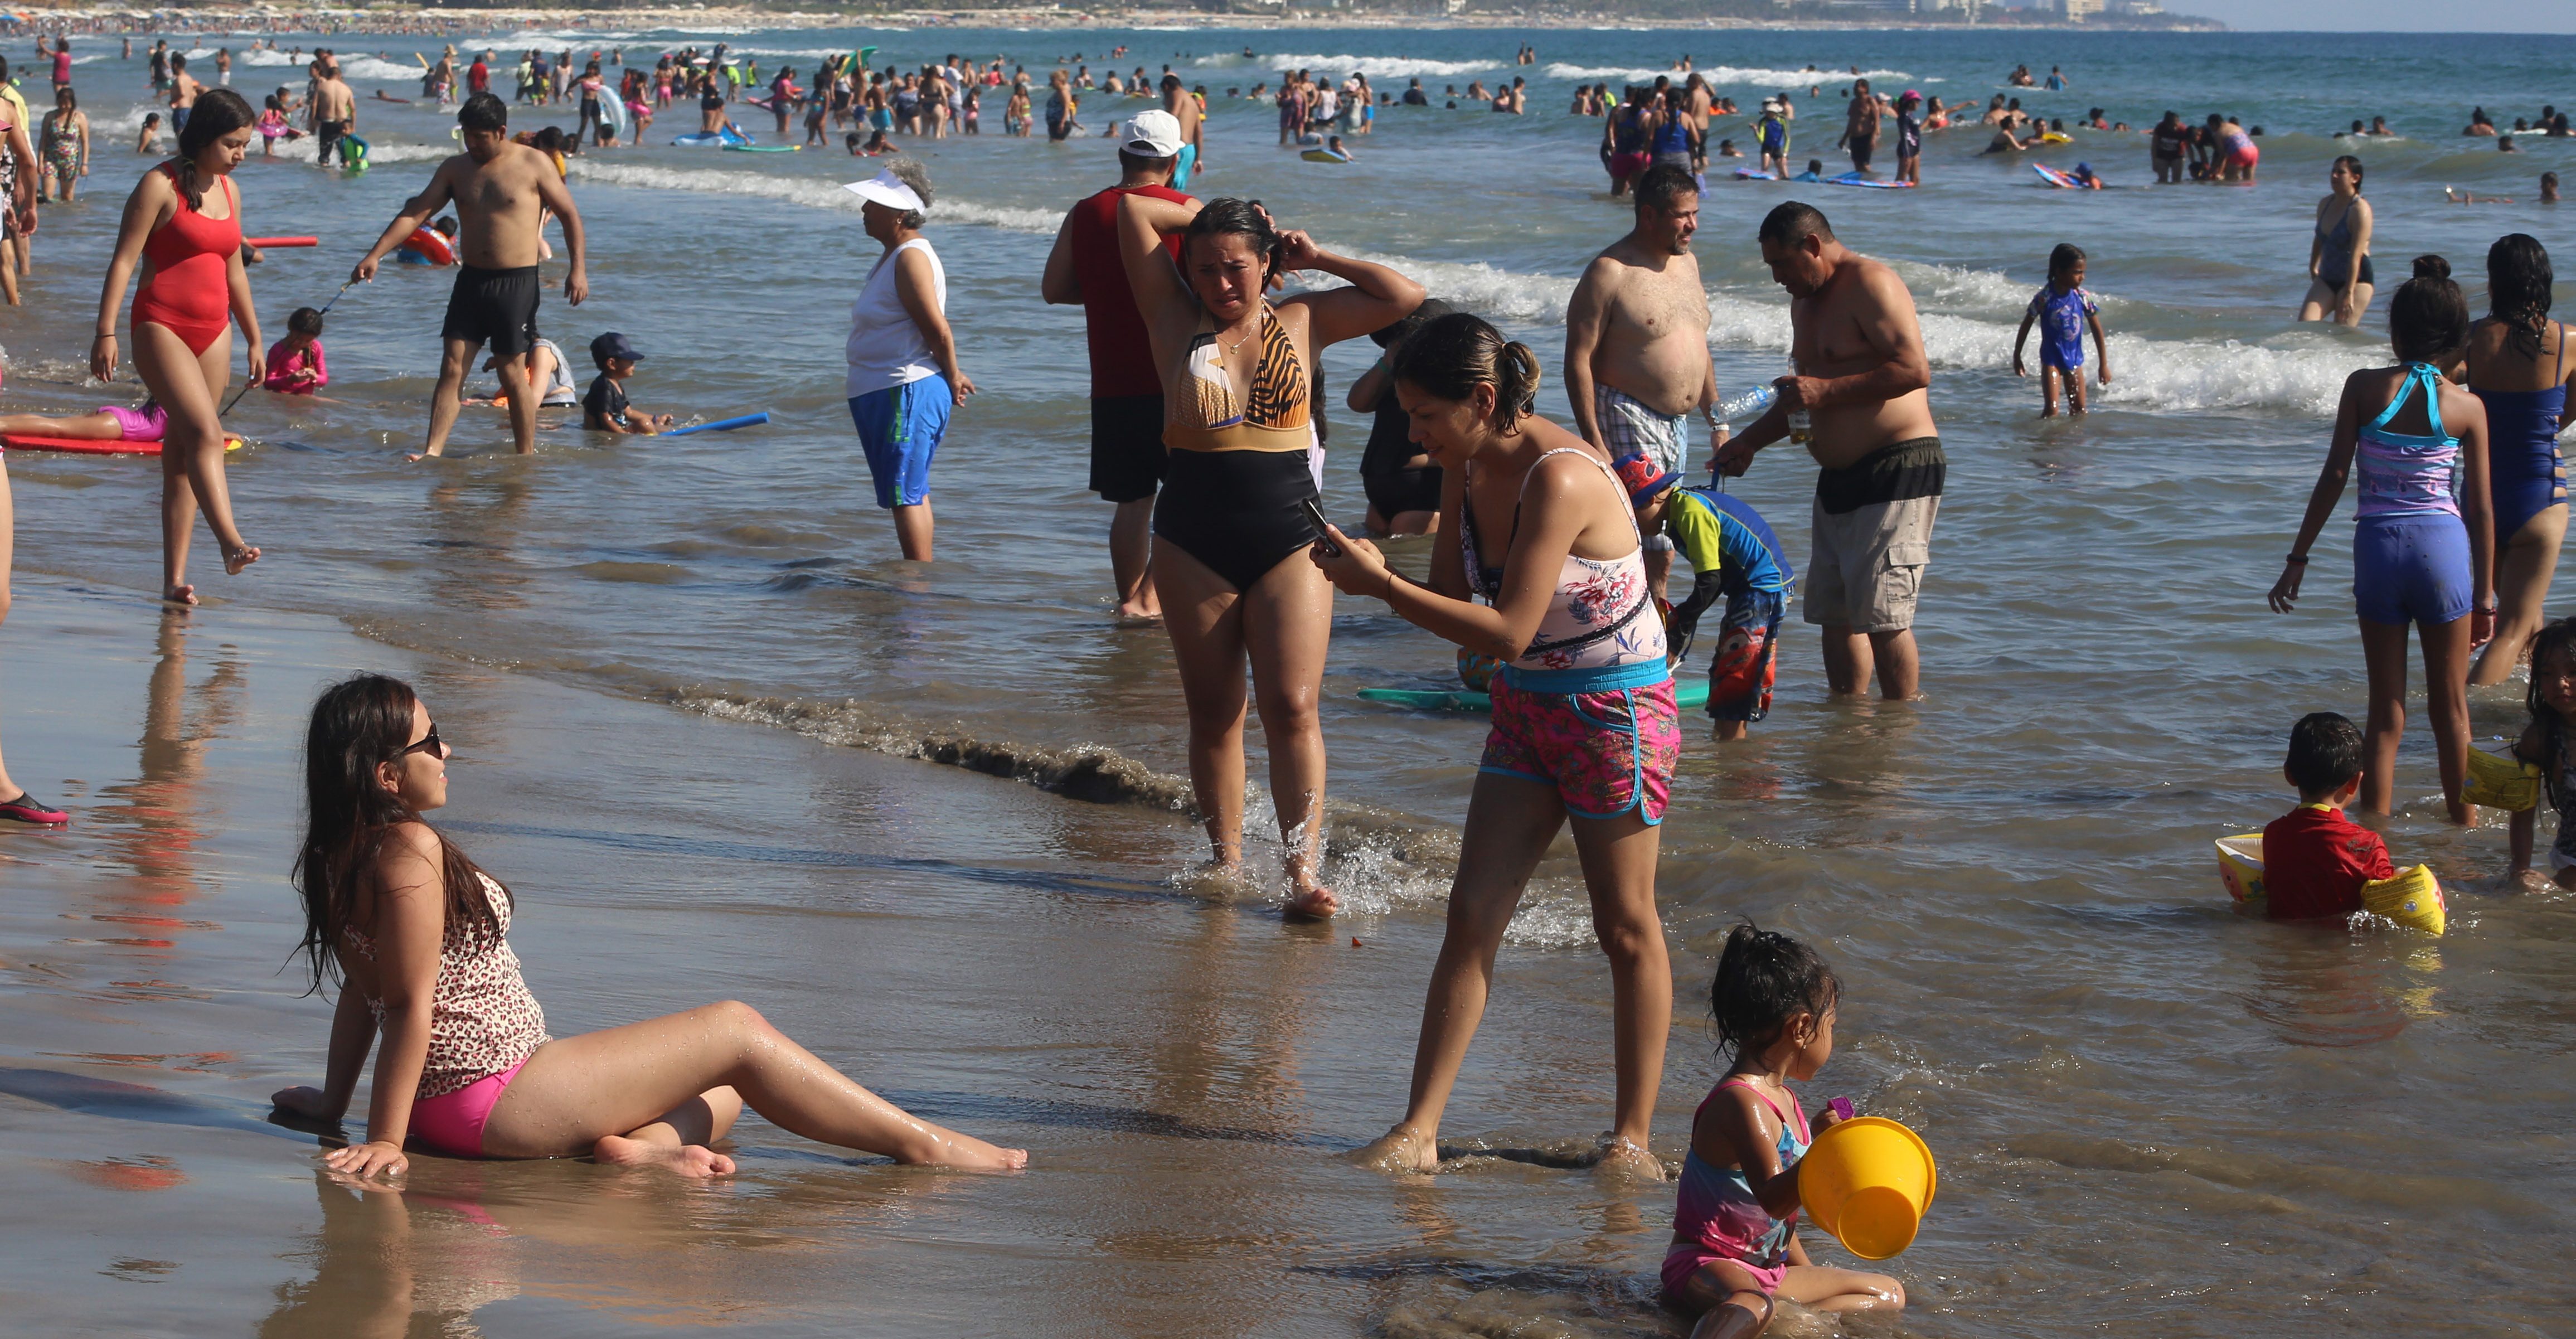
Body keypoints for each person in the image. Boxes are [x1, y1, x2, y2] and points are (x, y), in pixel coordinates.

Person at [268, 674, 1027, 1180]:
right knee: (737, 1027)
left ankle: (643, 1151)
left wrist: (339, 1107)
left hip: (466, 1101)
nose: (447, 749)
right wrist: (387, 1142)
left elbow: (362, 992)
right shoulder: (410, 849)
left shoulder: (340, 854)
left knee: (736, 1086)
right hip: (491, 1097)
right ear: (385, 775)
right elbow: (402, 1004)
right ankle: (924, 1144)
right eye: (430, 741)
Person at [1312, 313, 1672, 1179]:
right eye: (1407, 416)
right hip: (1527, 706)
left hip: (1613, 710)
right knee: (1470, 915)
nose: (1412, 435)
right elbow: (1447, 595)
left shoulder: (1562, 478)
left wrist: (1377, 585)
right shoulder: (1466, 463)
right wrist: (1380, 560)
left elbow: (1506, 630)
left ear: (1482, 400)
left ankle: (1632, 1139)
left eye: (1425, 416)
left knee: (1624, 927)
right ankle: (1417, 1131)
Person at [1115, 192, 1422, 918]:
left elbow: (1402, 297)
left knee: (1292, 705)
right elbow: (1133, 211)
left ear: (1267, 265)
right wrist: (1211, 212)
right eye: (1206, 269)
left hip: (1291, 534)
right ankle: (1225, 862)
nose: (1222, 284)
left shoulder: (1304, 318)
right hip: (1192, 537)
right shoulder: (1170, 318)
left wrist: (1316, 257)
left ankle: (1300, 874)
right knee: (1217, 710)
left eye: (1238, 267)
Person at [2268, 261, 2491, 824]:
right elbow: (2480, 506)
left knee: (2385, 710)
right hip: (2441, 547)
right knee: (2451, 710)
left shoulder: (2363, 387)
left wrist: (2297, 558)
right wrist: (2486, 591)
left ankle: (2373, 838)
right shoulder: (2467, 406)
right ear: (2459, 337)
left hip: (2378, 548)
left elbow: (2335, 476)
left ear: (2394, 332)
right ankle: (2461, 836)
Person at [1715, 203, 1941, 702]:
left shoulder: (1870, 283)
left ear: (1812, 246)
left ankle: (1897, 728)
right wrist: (1748, 442)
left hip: (1895, 465)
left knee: (1883, 617)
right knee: (1834, 616)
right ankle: (1848, 730)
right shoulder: (1804, 301)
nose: (1777, 278)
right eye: (1769, 267)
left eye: (1782, 264)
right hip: (1839, 477)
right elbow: (1805, 395)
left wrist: (1824, 391)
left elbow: (1912, 370)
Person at [1663, 925, 1905, 1336]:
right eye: (1830, 1027)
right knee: (1752, 1303)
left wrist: (1810, 1277)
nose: (1831, 1041)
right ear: (1801, 1028)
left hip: (1765, 1270)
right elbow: (1775, 1199)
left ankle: (1783, 1320)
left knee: (1889, 1293)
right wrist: (1823, 1151)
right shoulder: (1740, 1102)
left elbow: (1779, 1222)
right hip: (1706, 1264)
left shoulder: (1786, 1101)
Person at [91, 88, 263, 605]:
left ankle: (174, 581)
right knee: (206, 433)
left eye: (245, 145)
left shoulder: (229, 191)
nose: (240, 154)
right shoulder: (159, 184)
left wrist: (256, 337)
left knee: (182, 457)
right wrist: (106, 331)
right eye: (233, 144)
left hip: (214, 331)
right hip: (160, 324)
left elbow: (233, 269)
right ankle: (230, 541)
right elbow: (124, 260)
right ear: (205, 138)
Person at [349, 94, 588, 460]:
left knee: (511, 372)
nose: (472, 144)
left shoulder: (534, 163)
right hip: (471, 280)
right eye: (466, 136)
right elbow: (415, 213)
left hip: (516, 282)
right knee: (451, 366)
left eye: (480, 137)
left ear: (501, 131)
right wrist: (375, 255)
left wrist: (578, 270)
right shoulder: (454, 169)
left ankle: (525, 456)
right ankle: (432, 451)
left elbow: (570, 214)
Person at [1041, 112, 1193, 618]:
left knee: (1132, 503)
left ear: (1121, 155)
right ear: (1173, 162)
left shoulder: (1086, 212)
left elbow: (1054, 290)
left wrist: (1112, 294)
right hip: (1179, 376)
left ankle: (1133, 598)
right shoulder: (1185, 210)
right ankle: (1154, 600)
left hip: (1112, 379)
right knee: (1193, 491)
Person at [1565, 164, 1717, 596]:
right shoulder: (1609, 272)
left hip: (1678, 424)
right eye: (1682, 215)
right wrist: (1592, 437)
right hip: (1624, 410)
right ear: (1648, 215)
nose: (1692, 224)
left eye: (1695, 213)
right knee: (1650, 536)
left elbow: (1697, 346)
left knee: (1664, 542)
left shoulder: (1688, 265)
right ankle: (1640, 634)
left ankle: (1655, 633)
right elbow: (1578, 360)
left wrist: (1717, 422)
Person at [843, 161, 971, 561]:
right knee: (905, 492)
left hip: (905, 387)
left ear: (900, 213)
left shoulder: (911, 256)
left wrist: (951, 375)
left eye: (873, 203)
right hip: (883, 388)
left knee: (905, 493)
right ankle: (916, 584)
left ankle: (916, 589)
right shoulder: (893, 255)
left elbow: (938, 329)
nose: (864, 209)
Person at [1620, 449, 1794, 741]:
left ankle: (1732, 758)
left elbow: (1709, 581)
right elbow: (1715, 579)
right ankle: (1726, 748)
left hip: (1762, 588)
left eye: (1631, 515)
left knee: (1739, 674)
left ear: (1651, 500)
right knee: (1726, 670)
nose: (1632, 524)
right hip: (1747, 589)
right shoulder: (1681, 508)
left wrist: (1679, 631)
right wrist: (1683, 623)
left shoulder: (1689, 511)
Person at [2466, 235, 2576, 687]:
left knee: (2530, 622)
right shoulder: (2566, 339)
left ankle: (2537, 716)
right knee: (2511, 629)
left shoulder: (2471, 338)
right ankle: (2469, 723)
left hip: (2479, 499)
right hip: (2537, 494)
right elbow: (2565, 415)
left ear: (2494, 283)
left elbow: (2440, 392)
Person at [2260, 713, 2396, 920]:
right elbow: (2388, 902)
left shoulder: (2273, 833)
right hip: (2342, 946)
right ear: (2355, 782)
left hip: (2285, 941)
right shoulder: (2366, 845)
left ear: (2289, 774)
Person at [1346, 297, 1452, 536]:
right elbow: (1357, 403)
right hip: (1380, 495)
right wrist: (1387, 363)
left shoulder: (1445, 385)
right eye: (1399, 339)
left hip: (1422, 495)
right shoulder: (1389, 378)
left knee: (1403, 564)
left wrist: (1425, 460)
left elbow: (1467, 442)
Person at [2509, 618, 2576, 886]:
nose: (2560, 683)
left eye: (2572, 671)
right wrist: (2520, 870)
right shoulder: (2540, 738)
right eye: (2547, 674)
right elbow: (2523, 814)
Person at [2012, 244, 2110, 418]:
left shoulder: (2082, 297)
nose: (2082, 277)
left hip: (2074, 360)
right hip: (2052, 360)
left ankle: (2073, 441)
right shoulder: (2045, 297)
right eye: (2077, 272)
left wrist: (2103, 365)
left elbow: (2097, 330)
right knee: (2052, 409)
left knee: (2079, 410)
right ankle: (2045, 441)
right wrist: (2017, 356)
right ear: (2059, 271)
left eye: (2083, 272)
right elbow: (2026, 325)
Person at [2297, 157, 2374, 327]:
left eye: (2341, 172)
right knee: (2303, 328)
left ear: (2355, 178)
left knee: (2342, 332)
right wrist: (2312, 266)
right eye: (2333, 171)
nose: (2335, 176)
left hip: (2357, 280)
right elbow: (2319, 237)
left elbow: (2356, 256)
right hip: (2327, 276)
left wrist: (2349, 292)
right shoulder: (2325, 203)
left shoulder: (2360, 210)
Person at [581, 331, 671, 434]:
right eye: (631, 362)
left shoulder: (616, 384)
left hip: (617, 430)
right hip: (603, 436)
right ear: (612, 364)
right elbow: (606, 420)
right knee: (644, 425)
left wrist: (656, 419)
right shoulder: (603, 387)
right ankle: (656, 440)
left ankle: (662, 434)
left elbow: (629, 413)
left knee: (651, 424)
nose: (634, 366)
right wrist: (624, 436)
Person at [261, 306, 327, 394]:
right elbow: (268, 383)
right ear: (290, 327)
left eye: (308, 341)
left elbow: (324, 379)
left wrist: (314, 378)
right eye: (299, 339)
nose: (302, 343)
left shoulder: (316, 347)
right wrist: (289, 379)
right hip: (283, 396)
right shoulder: (278, 350)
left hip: (305, 398)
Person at [38, 86, 86, 202]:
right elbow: (43, 140)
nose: (63, 106)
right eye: (60, 103)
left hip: (70, 163)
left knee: (67, 200)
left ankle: (66, 220)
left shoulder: (79, 118)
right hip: (50, 160)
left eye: (66, 103)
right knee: (47, 199)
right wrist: (40, 162)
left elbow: (85, 142)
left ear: (72, 102)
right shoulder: (50, 116)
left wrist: (84, 164)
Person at [1158, 72, 1202, 188]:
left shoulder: (1176, 93)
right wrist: (1198, 159)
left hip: (1178, 148)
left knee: (1167, 188)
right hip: (1190, 150)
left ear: (1166, 88)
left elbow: (1172, 117)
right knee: (1177, 190)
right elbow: (1199, 133)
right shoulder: (1192, 102)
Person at [312, 60, 354, 167]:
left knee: (324, 155)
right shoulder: (347, 89)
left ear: (328, 75)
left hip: (327, 122)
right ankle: (347, 176)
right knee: (344, 153)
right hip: (342, 123)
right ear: (339, 76)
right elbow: (353, 110)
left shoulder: (321, 87)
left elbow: (314, 105)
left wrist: (313, 122)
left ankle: (324, 178)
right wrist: (352, 127)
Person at [1838, 77, 1879, 177]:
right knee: (1857, 165)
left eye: (1857, 87)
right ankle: (1862, 183)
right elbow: (1851, 123)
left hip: (1866, 137)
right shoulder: (1853, 103)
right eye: (1855, 87)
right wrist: (1843, 139)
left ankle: (1872, 180)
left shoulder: (1870, 101)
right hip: (1854, 138)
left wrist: (1873, 138)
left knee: (1865, 165)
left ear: (1865, 88)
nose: (1854, 89)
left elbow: (1877, 121)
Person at [1891, 91, 1920, 186]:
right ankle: (1896, 199)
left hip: (1914, 149)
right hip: (1906, 150)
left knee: (1915, 181)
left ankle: (1912, 200)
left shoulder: (1911, 115)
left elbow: (1915, 134)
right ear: (1910, 102)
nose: (1919, 104)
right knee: (1901, 180)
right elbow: (1904, 135)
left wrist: (1918, 149)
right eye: (1917, 101)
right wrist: (1907, 154)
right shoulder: (1903, 116)